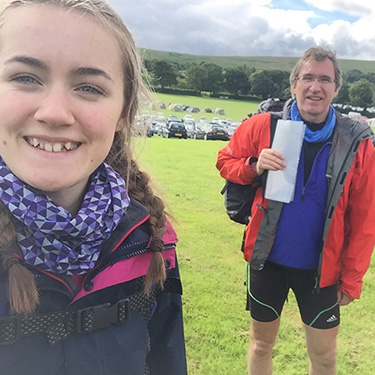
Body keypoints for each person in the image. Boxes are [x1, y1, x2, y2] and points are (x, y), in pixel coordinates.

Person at [0, 1, 186, 374]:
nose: (54, 112)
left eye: (88, 87)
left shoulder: (149, 237)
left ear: (123, 113)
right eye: (25, 78)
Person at [216, 47, 375, 375]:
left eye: (324, 79)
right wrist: (254, 164)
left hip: (322, 271)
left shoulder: (357, 142)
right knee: (261, 346)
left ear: (335, 89)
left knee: (325, 358)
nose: (315, 86)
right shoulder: (264, 126)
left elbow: (365, 217)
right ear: (294, 85)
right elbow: (225, 161)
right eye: (308, 78)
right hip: (267, 261)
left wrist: (353, 277)